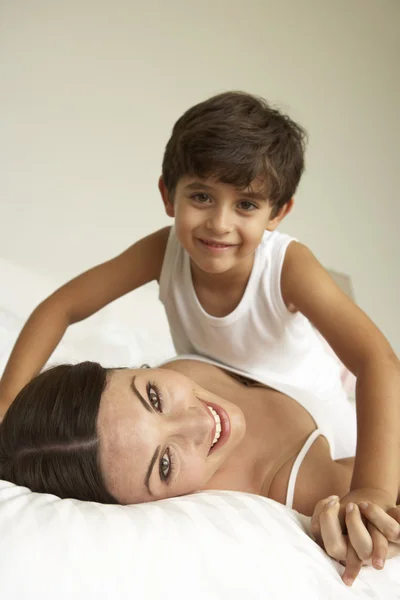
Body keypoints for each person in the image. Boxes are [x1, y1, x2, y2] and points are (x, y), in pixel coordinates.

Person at [0, 91, 399, 566]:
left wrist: (371, 487)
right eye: (202, 197)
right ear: (169, 195)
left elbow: (377, 360)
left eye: (246, 205)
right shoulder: (163, 250)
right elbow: (60, 306)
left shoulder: (287, 264)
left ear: (278, 214)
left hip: (308, 394)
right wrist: (7, 405)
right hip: (220, 373)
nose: (219, 223)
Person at [0, 358, 399, 588]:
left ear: (130, 368)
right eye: (165, 464)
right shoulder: (291, 495)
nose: (199, 423)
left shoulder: (187, 368)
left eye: (153, 397)